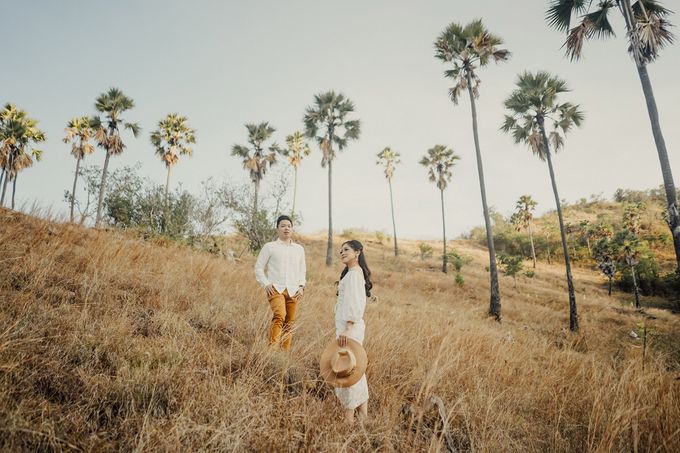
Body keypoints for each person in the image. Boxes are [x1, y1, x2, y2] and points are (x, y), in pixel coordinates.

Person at [254, 215, 306, 351]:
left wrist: (301, 287)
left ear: (292, 229)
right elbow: (258, 267)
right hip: (276, 289)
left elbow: (302, 270)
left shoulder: (299, 249)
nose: (286, 228)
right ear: (277, 229)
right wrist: (266, 283)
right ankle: (271, 351)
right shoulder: (269, 247)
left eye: (289, 226)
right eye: (283, 226)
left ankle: (284, 354)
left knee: (289, 323)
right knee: (279, 315)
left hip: (294, 290)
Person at [334, 239, 372, 424]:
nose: (342, 253)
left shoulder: (355, 275)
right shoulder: (351, 274)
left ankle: (349, 418)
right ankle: (363, 416)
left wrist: (348, 329)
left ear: (357, 252)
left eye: (346, 249)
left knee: (348, 371)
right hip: (346, 328)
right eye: (340, 251)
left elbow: (355, 305)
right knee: (355, 370)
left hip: (350, 329)